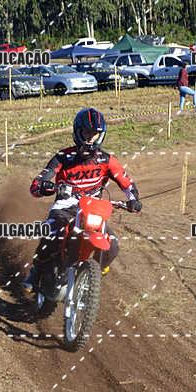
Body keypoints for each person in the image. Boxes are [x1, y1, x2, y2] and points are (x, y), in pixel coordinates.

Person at [22, 108, 142, 291]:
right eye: (87, 133)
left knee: (113, 245)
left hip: (93, 209)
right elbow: (36, 186)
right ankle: (36, 271)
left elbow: (127, 183)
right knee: (51, 234)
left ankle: (93, 274)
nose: (91, 138)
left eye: (95, 134)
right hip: (65, 207)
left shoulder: (107, 160)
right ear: (78, 132)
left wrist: (133, 200)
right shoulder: (63, 157)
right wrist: (47, 187)